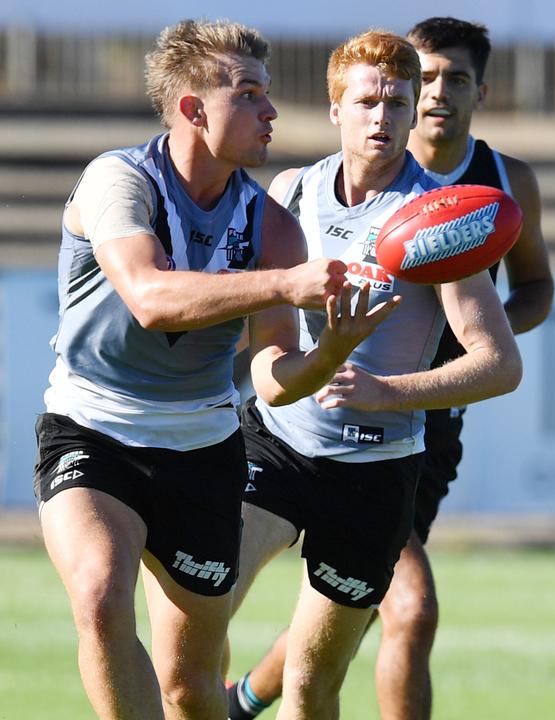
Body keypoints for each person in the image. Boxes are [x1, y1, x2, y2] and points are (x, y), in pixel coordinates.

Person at [31, 18, 386, 719]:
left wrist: (333, 351)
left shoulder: (272, 227)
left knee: (190, 687)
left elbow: (276, 374)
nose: (271, 111)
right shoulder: (119, 180)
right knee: (101, 597)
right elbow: (151, 298)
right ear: (194, 109)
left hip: (203, 452)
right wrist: (285, 286)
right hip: (92, 431)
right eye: (250, 94)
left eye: (268, 93)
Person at [225, 17, 552, 720]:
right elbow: (266, 344)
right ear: (336, 107)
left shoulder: (437, 219)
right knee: (198, 608)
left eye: (397, 104)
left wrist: (385, 391)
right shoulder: (288, 193)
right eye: (369, 102)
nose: (384, 117)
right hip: (277, 442)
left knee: (314, 684)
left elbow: (500, 365)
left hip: (377, 467)